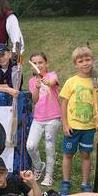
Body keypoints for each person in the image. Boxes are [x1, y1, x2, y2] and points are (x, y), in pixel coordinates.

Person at [59, 46, 98, 196]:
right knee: (68, 155)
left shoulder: (97, 83)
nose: (85, 63)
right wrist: (65, 124)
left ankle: (85, 183)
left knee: (85, 155)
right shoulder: (71, 82)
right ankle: (66, 182)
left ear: (92, 60)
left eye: (88, 59)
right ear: (75, 64)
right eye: (81, 61)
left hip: (89, 127)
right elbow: (64, 103)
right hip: (72, 127)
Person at [25, 52, 61, 187]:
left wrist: (47, 82)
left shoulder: (52, 75)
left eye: (40, 62)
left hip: (53, 118)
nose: (38, 65)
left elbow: (53, 82)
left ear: (46, 63)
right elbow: (34, 100)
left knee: (49, 147)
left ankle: (49, 176)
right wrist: (37, 87)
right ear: (31, 66)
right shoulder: (32, 81)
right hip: (38, 118)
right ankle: (38, 165)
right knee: (30, 146)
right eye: (34, 63)